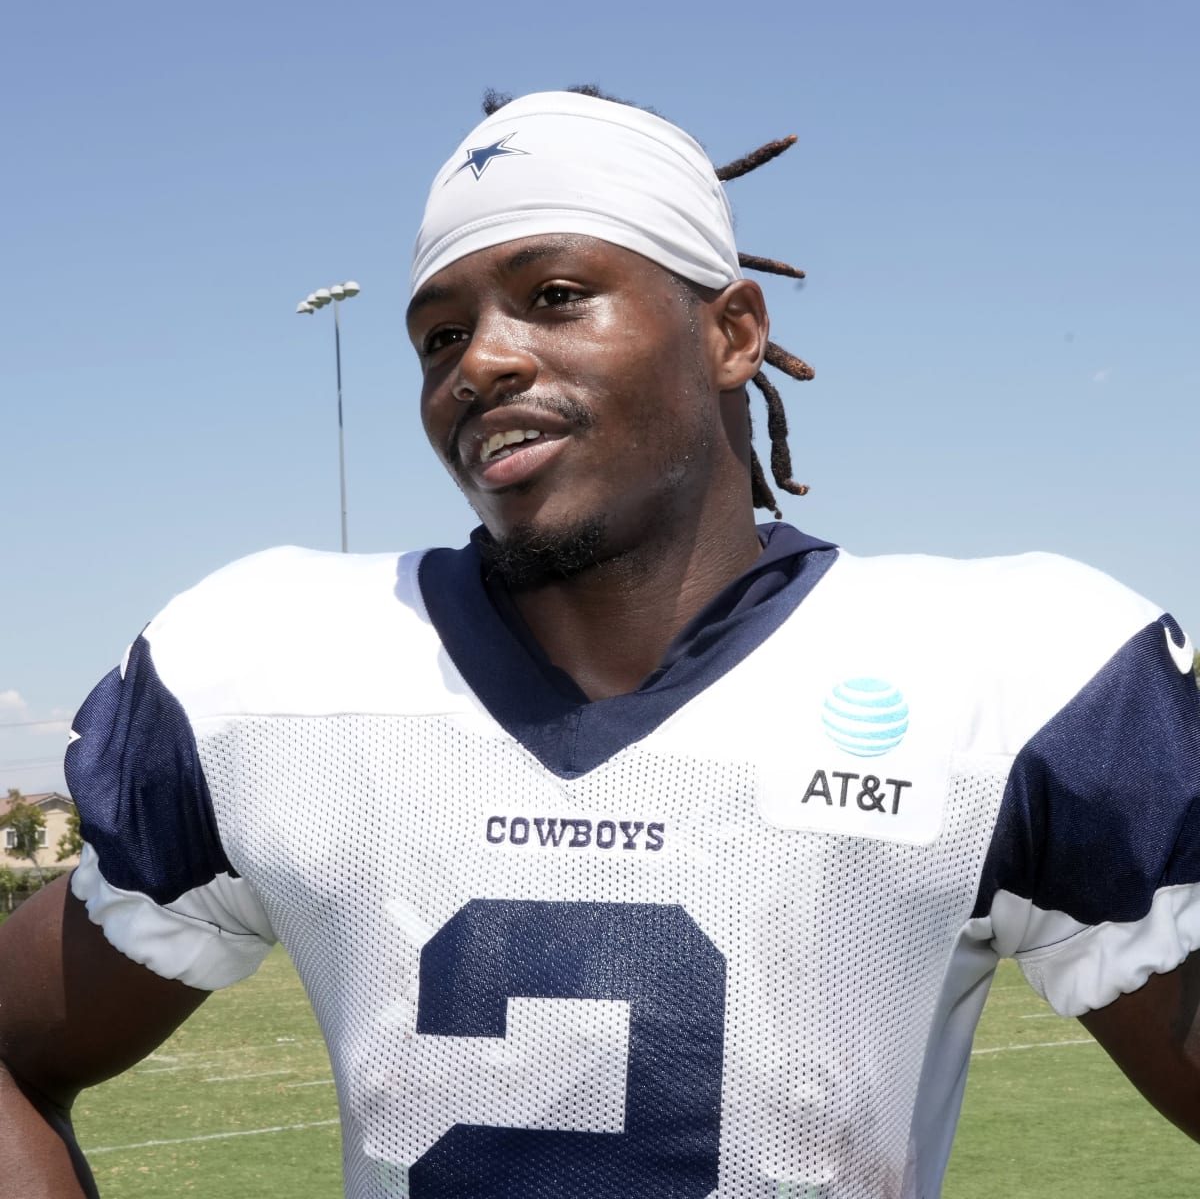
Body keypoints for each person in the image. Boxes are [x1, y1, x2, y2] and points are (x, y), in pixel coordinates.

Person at [1, 87, 1198, 1199]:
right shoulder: (264, 671)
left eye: (555, 296)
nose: (482, 361)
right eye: (437, 336)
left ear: (733, 332)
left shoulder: (1015, 671)